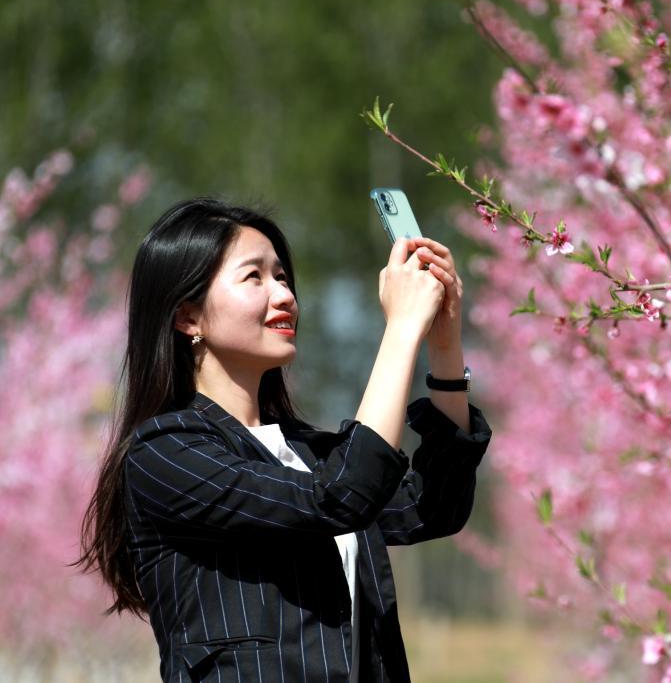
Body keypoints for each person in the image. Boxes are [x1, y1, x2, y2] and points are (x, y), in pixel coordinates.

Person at [76, 197, 493, 682]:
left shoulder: (306, 452)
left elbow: (433, 507)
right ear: (188, 317)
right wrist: (400, 330)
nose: (284, 295)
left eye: (282, 276)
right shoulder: (165, 453)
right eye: (254, 277)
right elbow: (341, 497)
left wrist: (443, 348)